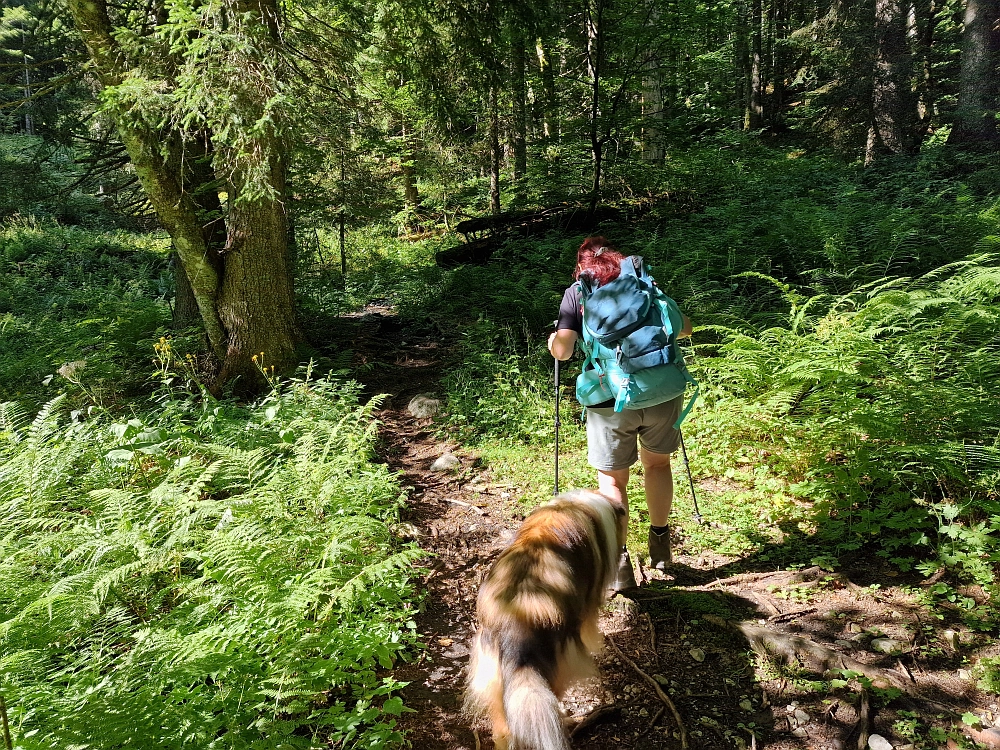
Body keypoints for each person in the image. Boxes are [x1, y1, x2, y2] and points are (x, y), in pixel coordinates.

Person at [547, 236, 692, 589]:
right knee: (658, 465)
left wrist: (554, 340)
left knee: (612, 481)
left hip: (610, 400)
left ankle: (620, 563)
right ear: (620, 260)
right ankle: (660, 544)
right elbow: (684, 328)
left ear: (581, 266)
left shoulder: (577, 293)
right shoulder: (643, 284)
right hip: (661, 390)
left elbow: (563, 352)